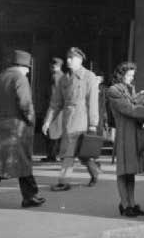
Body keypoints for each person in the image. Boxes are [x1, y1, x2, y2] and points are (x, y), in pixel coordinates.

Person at [0, 50, 45, 211]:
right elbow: (25, 104)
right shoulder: (20, 78)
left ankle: (30, 196)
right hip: (17, 129)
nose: (28, 71)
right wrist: (31, 120)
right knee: (17, 162)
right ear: (22, 66)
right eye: (27, 68)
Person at [106, 61, 144, 217]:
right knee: (123, 172)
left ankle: (131, 203)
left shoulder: (125, 89)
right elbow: (128, 109)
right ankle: (125, 205)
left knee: (130, 172)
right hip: (124, 135)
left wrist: (142, 97)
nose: (131, 78)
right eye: (129, 75)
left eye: (132, 75)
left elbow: (132, 104)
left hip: (131, 134)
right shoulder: (113, 90)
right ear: (121, 75)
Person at [41, 47, 101, 191]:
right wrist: (47, 121)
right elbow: (55, 103)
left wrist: (93, 124)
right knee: (81, 154)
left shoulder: (89, 76)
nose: (68, 60)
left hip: (82, 120)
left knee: (69, 152)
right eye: (67, 57)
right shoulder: (63, 79)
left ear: (80, 60)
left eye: (71, 58)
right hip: (67, 120)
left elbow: (92, 102)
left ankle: (64, 181)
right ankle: (95, 172)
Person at [42, 57, 64, 163]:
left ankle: (53, 155)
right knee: (56, 131)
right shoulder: (62, 76)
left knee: (52, 131)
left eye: (52, 65)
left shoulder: (56, 77)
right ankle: (55, 155)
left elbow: (53, 94)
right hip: (59, 109)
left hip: (54, 108)